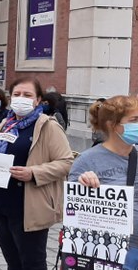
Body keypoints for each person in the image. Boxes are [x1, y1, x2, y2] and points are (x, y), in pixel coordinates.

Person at [0, 77, 73, 269]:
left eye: (27, 95)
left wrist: (33, 172)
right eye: (16, 94)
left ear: (38, 99)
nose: (21, 98)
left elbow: (66, 162)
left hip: (28, 207)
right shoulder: (3, 126)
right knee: (13, 262)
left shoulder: (48, 127)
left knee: (32, 263)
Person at [70, 96, 138, 267]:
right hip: (113, 250)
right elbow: (72, 212)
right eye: (135, 120)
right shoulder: (87, 161)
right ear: (112, 125)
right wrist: (82, 185)